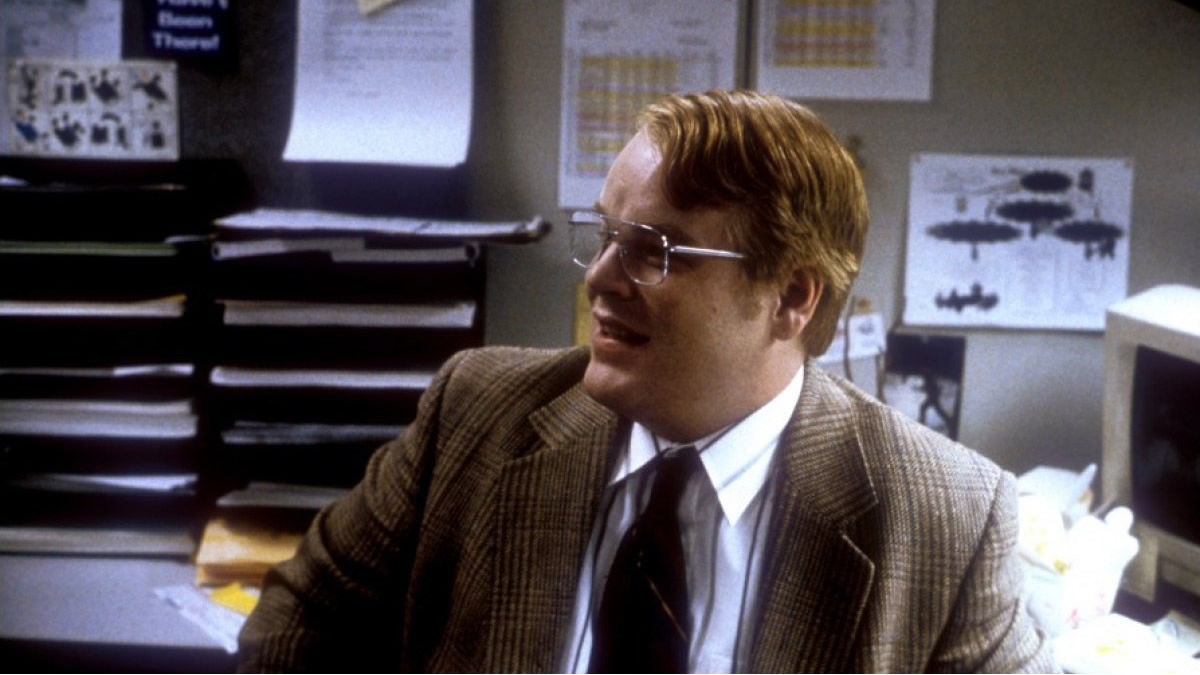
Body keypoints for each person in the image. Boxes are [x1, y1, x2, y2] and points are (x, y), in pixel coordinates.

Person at [237, 89, 1053, 673]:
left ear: (791, 298)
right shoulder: (476, 413)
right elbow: (293, 629)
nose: (599, 278)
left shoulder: (946, 516)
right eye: (603, 235)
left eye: (654, 250)